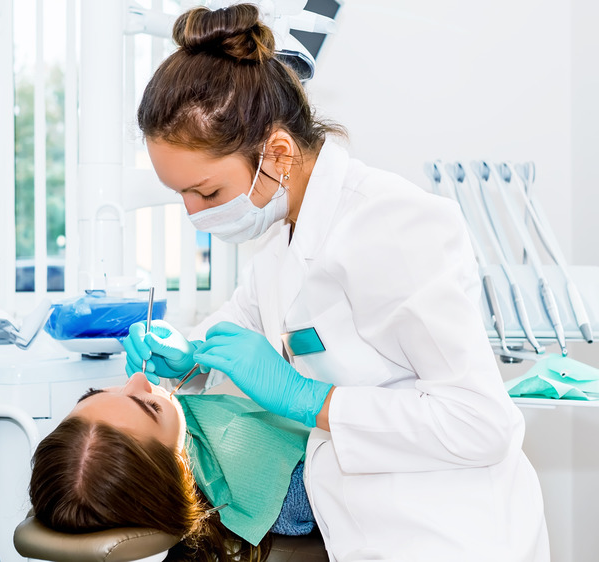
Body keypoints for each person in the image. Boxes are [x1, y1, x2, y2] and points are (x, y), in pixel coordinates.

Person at [122, 3, 549, 560]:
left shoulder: (391, 226)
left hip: (450, 535)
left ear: (276, 152)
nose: (194, 213)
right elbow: (245, 322)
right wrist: (192, 355)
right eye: (180, 194)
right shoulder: (281, 229)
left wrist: (309, 400)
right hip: (359, 532)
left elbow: (481, 423)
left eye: (206, 192)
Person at [29, 372, 315, 562]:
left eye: (95, 393)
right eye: (151, 406)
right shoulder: (291, 494)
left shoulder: (190, 438)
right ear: (179, 468)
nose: (136, 378)